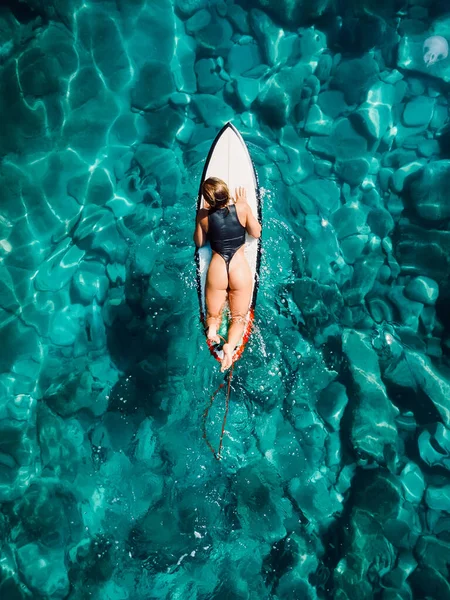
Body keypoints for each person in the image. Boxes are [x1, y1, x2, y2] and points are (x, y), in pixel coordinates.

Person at [194, 177, 261, 372]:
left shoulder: (203, 215)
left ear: (208, 200)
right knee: (239, 317)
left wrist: (202, 216)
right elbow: (256, 233)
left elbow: (199, 242)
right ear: (227, 193)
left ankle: (213, 329)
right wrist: (245, 205)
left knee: (214, 315)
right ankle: (229, 347)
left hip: (218, 268)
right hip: (238, 267)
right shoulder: (241, 208)